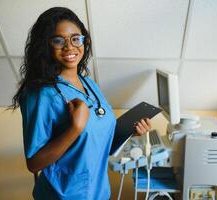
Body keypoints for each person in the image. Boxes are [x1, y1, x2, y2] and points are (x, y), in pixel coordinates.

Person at [10, 7, 151, 200]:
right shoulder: (41, 94)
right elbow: (34, 163)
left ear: (84, 41)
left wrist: (129, 132)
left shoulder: (88, 83)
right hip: (63, 195)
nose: (69, 47)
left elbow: (97, 140)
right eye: (59, 40)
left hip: (98, 192)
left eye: (76, 38)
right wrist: (74, 128)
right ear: (46, 45)